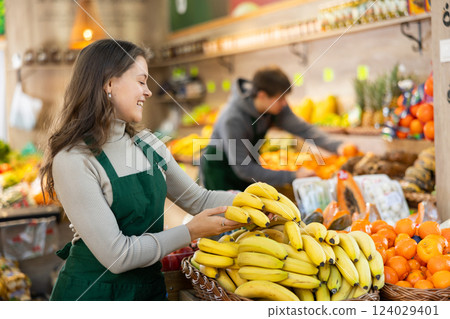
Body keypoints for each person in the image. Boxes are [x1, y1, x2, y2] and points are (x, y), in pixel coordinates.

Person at [39, 39, 244, 301]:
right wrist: (190, 232)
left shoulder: (148, 144)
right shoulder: (73, 158)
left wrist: (258, 200)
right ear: (108, 83)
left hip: (149, 291)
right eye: (141, 81)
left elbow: (198, 199)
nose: (148, 92)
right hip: (94, 295)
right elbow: (118, 256)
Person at [200, 65, 354, 191]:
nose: (285, 103)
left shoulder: (275, 108)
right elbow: (243, 168)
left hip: (248, 166)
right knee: (225, 223)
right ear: (261, 96)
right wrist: (292, 176)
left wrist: (337, 146)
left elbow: (304, 129)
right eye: (281, 99)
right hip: (220, 170)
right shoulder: (233, 119)